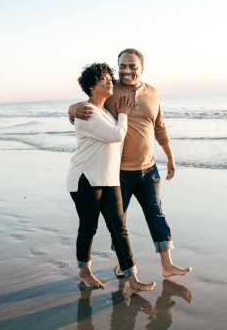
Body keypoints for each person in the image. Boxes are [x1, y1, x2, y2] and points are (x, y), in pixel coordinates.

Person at [69, 49, 192, 278]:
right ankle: (121, 264)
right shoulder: (111, 89)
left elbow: (160, 127)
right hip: (119, 173)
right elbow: (90, 104)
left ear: (141, 68)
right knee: (119, 224)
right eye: (122, 66)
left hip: (148, 168)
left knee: (156, 215)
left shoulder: (152, 92)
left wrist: (171, 158)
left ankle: (167, 265)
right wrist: (72, 109)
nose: (126, 70)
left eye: (132, 66)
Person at [67, 62, 155, 292]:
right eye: (103, 79)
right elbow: (116, 135)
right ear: (90, 87)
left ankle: (132, 277)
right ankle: (84, 271)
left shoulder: (105, 112)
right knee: (89, 227)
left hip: (109, 179)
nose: (109, 81)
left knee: (119, 227)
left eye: (109, 77)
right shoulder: (86, 112)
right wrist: (124, 114)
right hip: (85, 179)